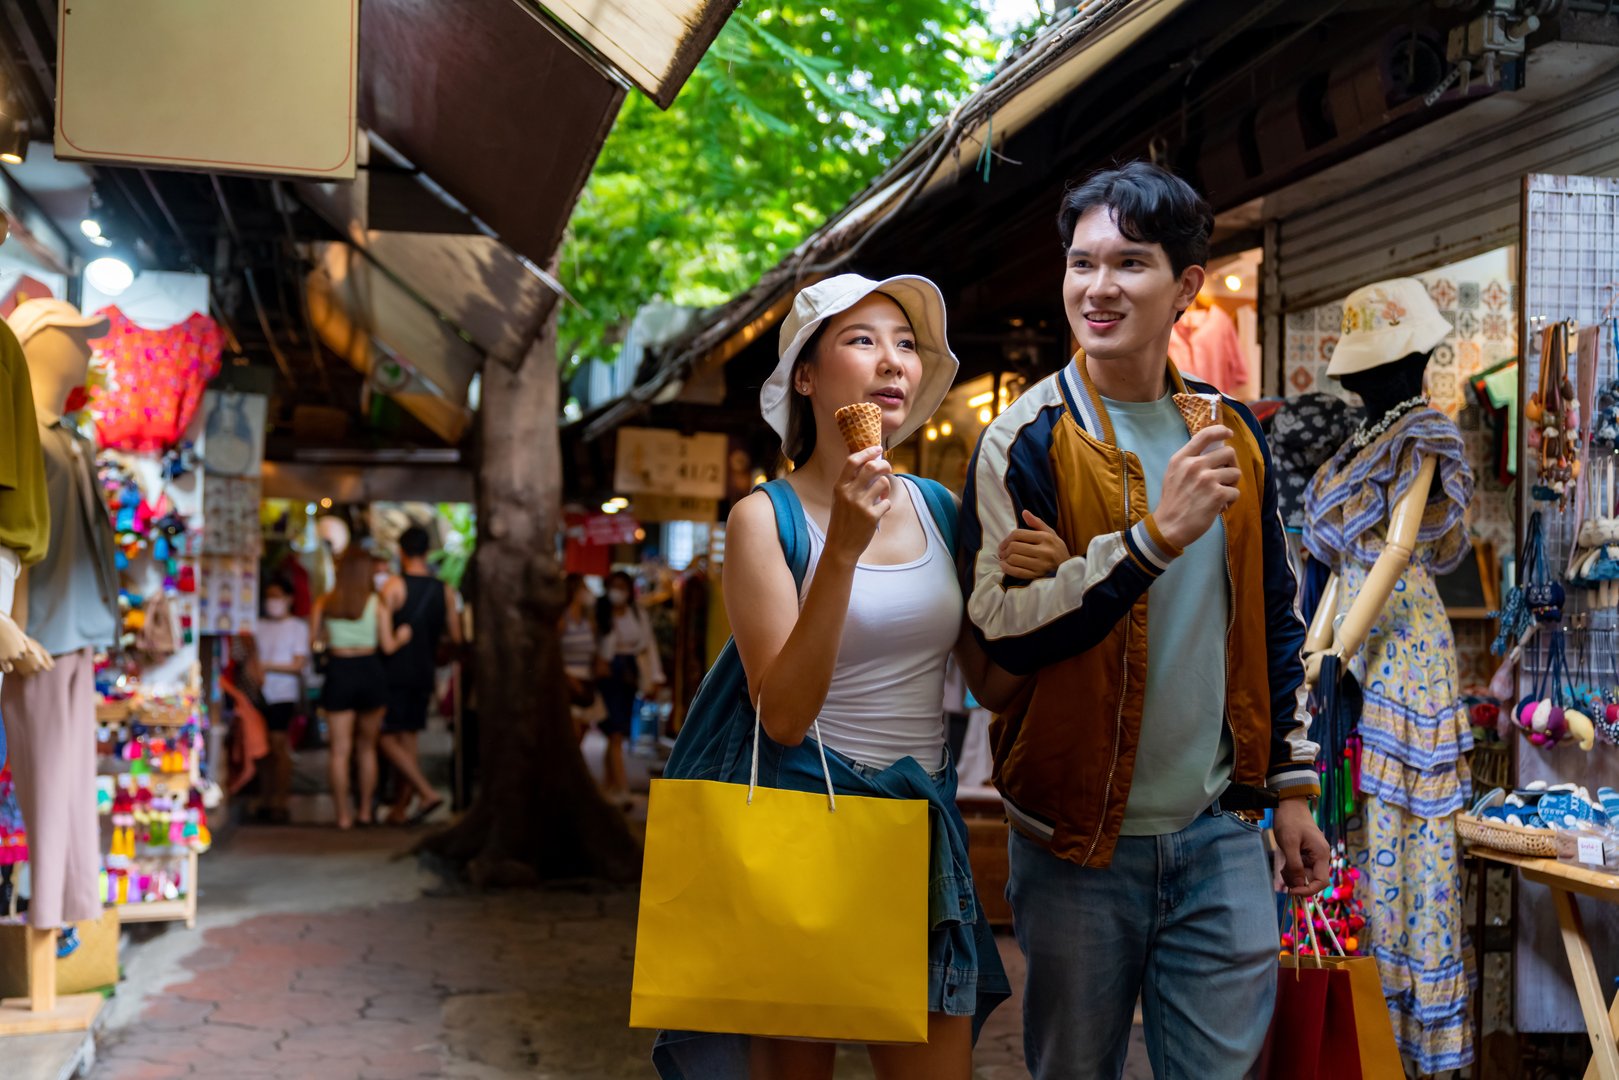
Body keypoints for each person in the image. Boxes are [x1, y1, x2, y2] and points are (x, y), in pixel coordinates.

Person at [959, 162, 1329, 1079]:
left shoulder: (1228, 430)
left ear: (1186, 286)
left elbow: (1272, 617)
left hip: (1218, 832)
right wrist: (1152, 539)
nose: (1097, 287)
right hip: (1077, 839)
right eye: (1081, 264)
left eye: (1128, 264)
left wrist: (1286, 788)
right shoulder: (1027, 439)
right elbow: (1003, 629)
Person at [656, 273, 1054, 1080]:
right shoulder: (762, 518)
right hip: (807, 826)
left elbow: (988, 685)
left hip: (918, 834)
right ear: (804, 375)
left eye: (906, 346)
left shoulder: (941, 507)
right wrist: (839, 549)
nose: (893, 363)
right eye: (863, 340)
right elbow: (783, 717)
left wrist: (1041, 593)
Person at [311, 545, 410, 829]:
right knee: (367, 748)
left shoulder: (324, 602)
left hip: (339, 672)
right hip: (370, 671)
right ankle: (366, 811)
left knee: (339, 751)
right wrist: (402, 636)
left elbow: (313, 642)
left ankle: (342, 815)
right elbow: (388, 645)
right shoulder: (376, 603)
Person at [379, 526, 459, 826]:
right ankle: (401, 807)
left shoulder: (393, 586)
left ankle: (425, 792)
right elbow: (455, 635)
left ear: (401, 551)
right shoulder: (444, 590)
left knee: (384, 735)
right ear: (427, 552)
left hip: (395, 671)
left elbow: (385, 639)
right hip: (424, 671)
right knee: (409, 737)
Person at [594, 570, 661, 804]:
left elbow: (647, 646)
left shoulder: (637, 613)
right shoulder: (600, 613)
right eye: (614, 585)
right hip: (607, 676)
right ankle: (622, 788)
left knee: (618, 733)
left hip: (628, 676)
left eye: (622, 586)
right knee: (613, 732)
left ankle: (608, 785)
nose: (618, 591)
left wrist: (654, 677)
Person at [254, 577, 309, 823]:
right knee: (263, 749)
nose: (272, 601)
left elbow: (298, 664)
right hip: (259, 694)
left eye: (277, 596)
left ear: (289, 599)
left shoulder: (298, 627)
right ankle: (266, 798)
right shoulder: (257, 625)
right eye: (269, 596)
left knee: (278, 745)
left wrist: (266, 666)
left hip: (283, 693)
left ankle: (280, 799)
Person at [560, 574, 602, 741]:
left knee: (581, 733)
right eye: (584, 588)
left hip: (586, 681)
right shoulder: (562, 620)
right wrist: (568, 678)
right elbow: (553, 653)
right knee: (573, 733)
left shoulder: (588, 621)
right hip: (568, 682)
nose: (588, 592)